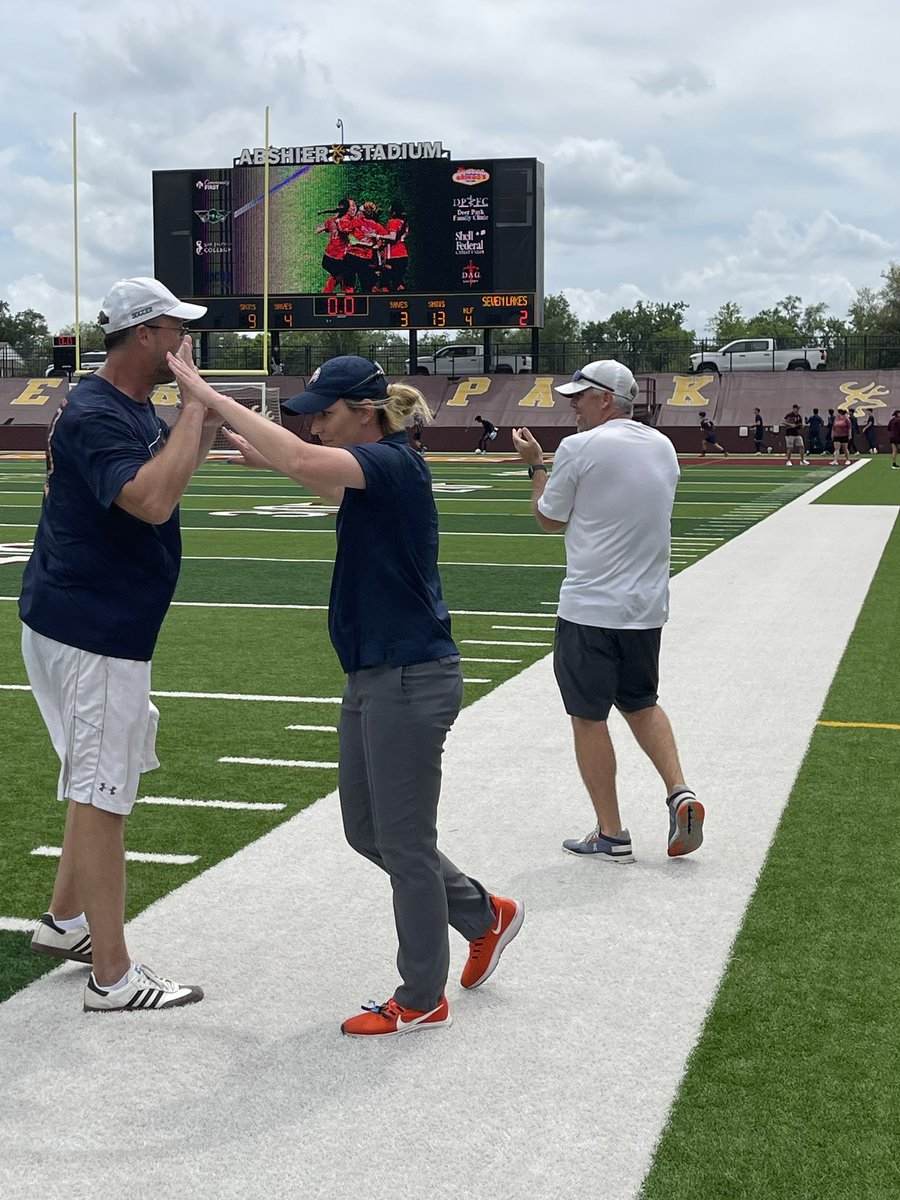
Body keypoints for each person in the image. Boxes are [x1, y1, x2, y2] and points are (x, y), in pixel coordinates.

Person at [166, 352, 524, 1037]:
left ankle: (423, 996)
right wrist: (267, 456)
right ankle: (483, 914)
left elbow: (306, 466)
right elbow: (317, 475)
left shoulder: (391, 461)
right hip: (374, 672)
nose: (315, 426)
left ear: (365, 412)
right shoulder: (373, 473)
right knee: (367, 832)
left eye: (325, 414)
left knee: (406, 843)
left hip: (408, 674)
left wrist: (210, 396)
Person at [21, 277, 217, 1013]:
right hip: (92, 628)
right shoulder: (100, 412)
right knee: (103, 793)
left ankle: (66, 922)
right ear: (144, 335)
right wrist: (195, 403)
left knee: (96, 774)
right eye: (175, 332)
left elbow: (174, 479)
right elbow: (153, 500)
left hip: (94, 620)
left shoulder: (124, 405)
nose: (184, 345)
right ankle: (113, 975)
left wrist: (194, 424)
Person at [511, 360, 703, 864]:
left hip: (591, 606)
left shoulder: (580, 447)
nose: (572, 404)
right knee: (641, 701)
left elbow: (549, 520)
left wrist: (536, 467)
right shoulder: (663, 446)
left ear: (605, 399)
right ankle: (679, 790)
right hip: (646, 606)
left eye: (580, 396)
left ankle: (611, 832)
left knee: (588, 717)